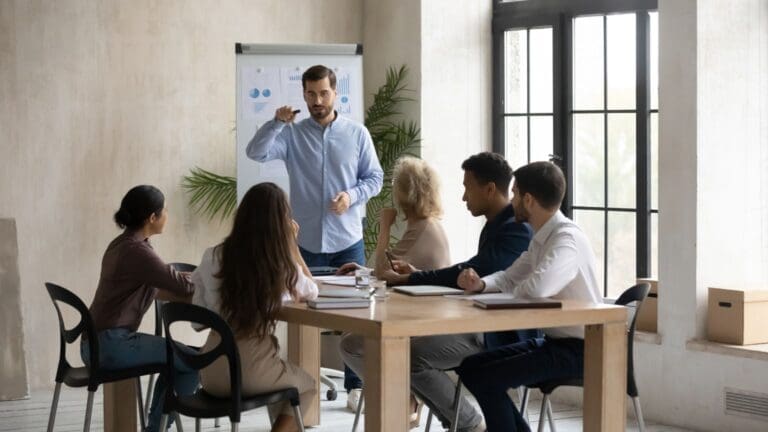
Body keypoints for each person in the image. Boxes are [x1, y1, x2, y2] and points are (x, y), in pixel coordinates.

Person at [340, 152, 534, 432]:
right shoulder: (497, 225)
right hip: (477, 322)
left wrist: (412, 276)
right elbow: (470, 273)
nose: (464, 197)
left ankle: (468, 423)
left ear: (490, 189)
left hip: (501, 333)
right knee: (370, 346)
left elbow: (474, 271)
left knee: (411, 356)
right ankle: (441, 416)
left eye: (468, 188)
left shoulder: (515, 229)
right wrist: (414, 274)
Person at [246, 64, 383, 397]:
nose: (317, 100)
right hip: (304, 243)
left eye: (323, 93)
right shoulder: (291, 134)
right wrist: (276, 123)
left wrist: (352, 196)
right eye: (311, 94)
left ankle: (355, 386)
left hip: (347, 240)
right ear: (304, 95)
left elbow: (375, 178)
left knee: (357, 316)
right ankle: (304, 385)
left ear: (335, 93)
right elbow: (255, 152)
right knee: (302, 315)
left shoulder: (357, 134)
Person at [455, 161, 602, 432]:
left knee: (486, 377)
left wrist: (512, 289)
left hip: (583, 350)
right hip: (556, 343)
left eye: (514, 194)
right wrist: (481, 284)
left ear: (529, 200)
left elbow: (537, 288)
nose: (511, 201)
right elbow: (510, 277)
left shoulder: (566, 239)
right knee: (471, 368)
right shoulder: (542, 237)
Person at [192, 183, 318, 432]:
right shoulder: (277, 263)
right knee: (307, 385)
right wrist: (293, 248)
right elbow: (311, 291)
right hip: (250, 371)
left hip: (211, 372)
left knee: (283, 380)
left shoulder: (212, 256)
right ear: (280, 223)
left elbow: (198, 322)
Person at [336, 156, 451, 419]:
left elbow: (383, 271)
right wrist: (363, 270)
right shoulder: (426, 224)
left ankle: (402, 394)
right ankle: (405, 394)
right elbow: (394, 271)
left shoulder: (421, 229)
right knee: (353, 339)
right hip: (420, 314)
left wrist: (385, 227)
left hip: (421, 323)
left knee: (350, 344)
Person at [84, 185, 197, 432]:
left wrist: (185, 276)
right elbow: (184, 287)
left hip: (95, 343)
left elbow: (163, 277)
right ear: (152, 217)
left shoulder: (123, 244)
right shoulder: (137, 251)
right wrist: (207, 277)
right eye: (165, 210)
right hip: (110, 345)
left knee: (177, 361)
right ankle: (155, 429)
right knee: (193, 361)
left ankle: (155, 427)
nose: (167, 215)